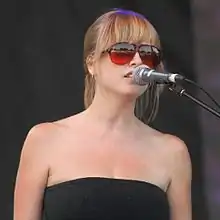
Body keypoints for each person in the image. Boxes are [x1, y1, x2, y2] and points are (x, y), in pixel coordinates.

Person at [14, 8, 192, 220]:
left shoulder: (172, 152)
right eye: (122, 51)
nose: (137, 61)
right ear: (92, 64)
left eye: (148, 54)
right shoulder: (45, 139)